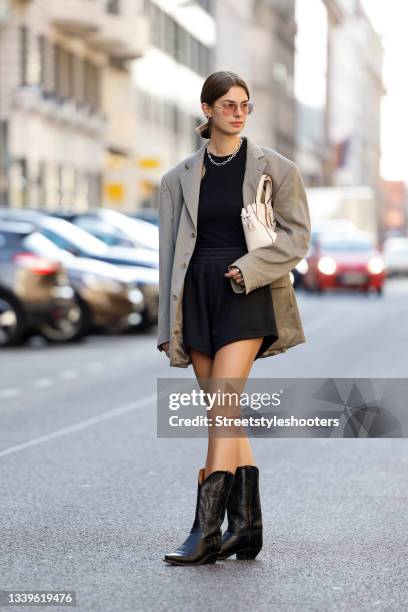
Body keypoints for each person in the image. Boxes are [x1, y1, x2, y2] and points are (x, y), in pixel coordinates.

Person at [157, 71, 311, 565]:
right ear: (207, 110)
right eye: (227, 104)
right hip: (196, 296)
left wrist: (248, 270)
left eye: (244, 103)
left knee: (222, 407)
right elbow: (167, 259)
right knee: (224, 411)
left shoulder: (276, 169)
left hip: (245, 290)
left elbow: (297, 237)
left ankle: (204, 531)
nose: (238, 111)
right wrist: (168, 324)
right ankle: (244, 529)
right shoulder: (177, 178)